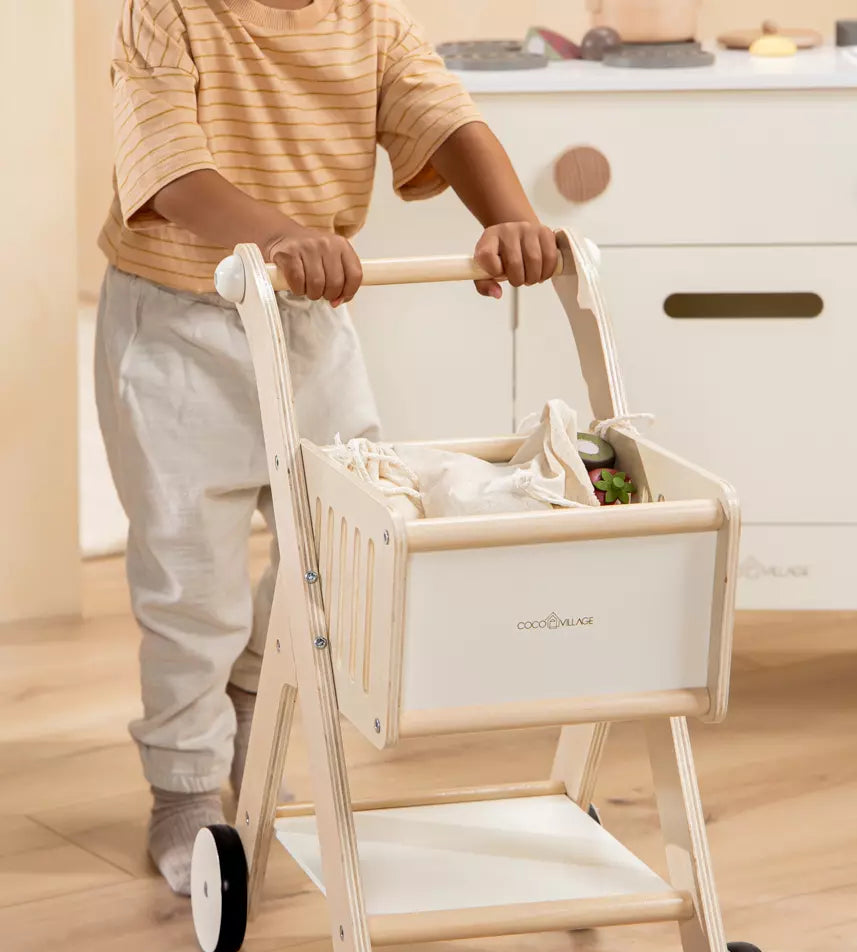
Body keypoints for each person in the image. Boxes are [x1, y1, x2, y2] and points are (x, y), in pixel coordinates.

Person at [96, 0, 558, 894]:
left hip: (308, 321)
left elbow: (441, 113)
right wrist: (277, 231)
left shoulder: (369, 19)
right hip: (177, 328)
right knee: (192, 581)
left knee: (341, 538)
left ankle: (248, 700)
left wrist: (510, 216)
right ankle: (186, 788)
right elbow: (165, 172)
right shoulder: (166, 14)